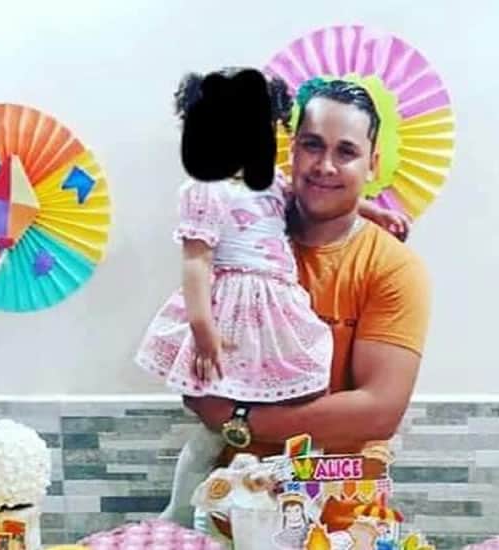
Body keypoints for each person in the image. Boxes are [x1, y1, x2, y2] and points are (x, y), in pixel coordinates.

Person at [134, 69, 411, 528]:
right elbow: (196, 260)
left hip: (276, 308)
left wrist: (372, 210)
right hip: (234, 309)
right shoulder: (206, 189)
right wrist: (202, 328)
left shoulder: (271, 186)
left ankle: (291, 476)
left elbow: (299, 197)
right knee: (209, 427)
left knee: (310, 367)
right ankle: (181, 507)